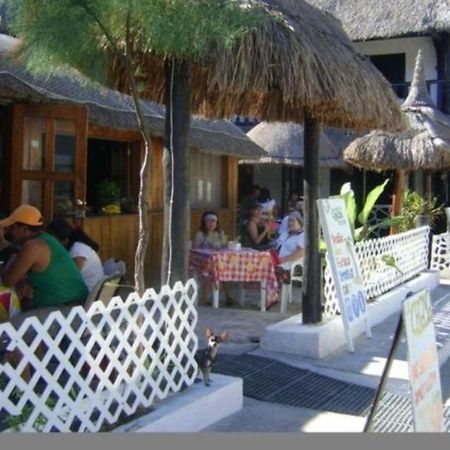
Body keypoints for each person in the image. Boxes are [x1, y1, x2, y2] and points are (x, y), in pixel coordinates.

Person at [0, 205, 88, 319]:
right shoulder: (47, 239)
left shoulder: (33, 246)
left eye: (12, 228)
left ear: (24, 229)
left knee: (8, 328)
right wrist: (22, 280)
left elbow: (8, 280)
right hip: (77, 307)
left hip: (64, 312)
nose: (9, 234)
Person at [47, 218, 105, 292]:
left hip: (89, 292)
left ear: (65, 241)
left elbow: (71, 277)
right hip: (88, 289)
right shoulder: (75, 247)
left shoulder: (78, 250)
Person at [192, 211, 234, 306]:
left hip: (219, 262)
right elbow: (195, 249)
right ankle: (206, 299)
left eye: (213, 221)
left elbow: (225, 246)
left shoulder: (220, 233)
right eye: (208, 221)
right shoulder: (201, 234)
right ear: (204, 222)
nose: (211, 224)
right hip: (204, 263)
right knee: (207, 274)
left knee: (225, 272)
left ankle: (229, 297)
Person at [275, 210, 304, 284]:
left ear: (299, 223)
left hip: (288, 265)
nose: (289, 223)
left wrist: (282, 260)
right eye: (288, 221)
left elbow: (300, 252)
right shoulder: (287, 233)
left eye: (292, 221)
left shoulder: (301, 235)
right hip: (278, 261)